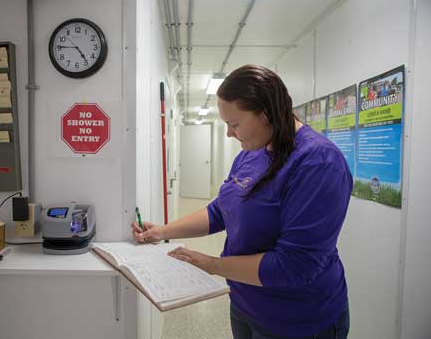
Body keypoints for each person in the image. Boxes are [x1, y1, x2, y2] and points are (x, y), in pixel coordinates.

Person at [131, 64, 352, 339]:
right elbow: (221, 211)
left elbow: (295, 265)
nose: (229, 134)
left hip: (297, 321)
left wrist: (211, 264)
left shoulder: (318, 162)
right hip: (244, 303)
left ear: (266, 114)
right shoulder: (252, 153)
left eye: (234, 124)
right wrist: (162, 231)